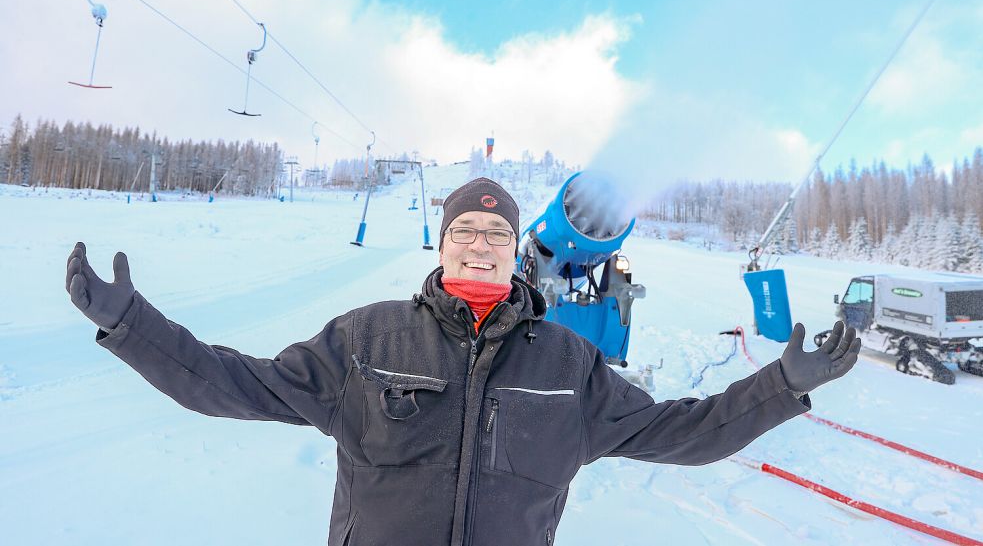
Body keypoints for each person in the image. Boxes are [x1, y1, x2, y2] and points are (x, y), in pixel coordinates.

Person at [65, 177, 861, 546]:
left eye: (496, 235)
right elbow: (233, 384)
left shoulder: (569, 364)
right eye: (464, 233)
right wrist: (133, 326)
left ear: (516, 254)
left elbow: (681, 433)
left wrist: (779, 386)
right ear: (443, 246)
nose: (480, 245)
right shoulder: (367, 340)